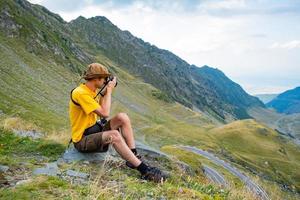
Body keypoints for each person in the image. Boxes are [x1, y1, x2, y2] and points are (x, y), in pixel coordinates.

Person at [69, 63, 167, 183]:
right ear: (96, 79)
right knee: (114, 135)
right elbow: (105, 113)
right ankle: (144, 170)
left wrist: (104, 93)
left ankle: (133, 157)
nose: (106, 81)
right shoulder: (81, 93)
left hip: (94, 130)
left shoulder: (92, 90)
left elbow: (100, 109)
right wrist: (109, 91)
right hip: (82, 140)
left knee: (122, 117)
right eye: (104, 78)